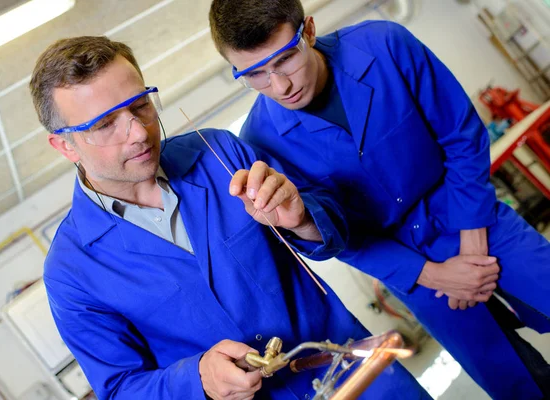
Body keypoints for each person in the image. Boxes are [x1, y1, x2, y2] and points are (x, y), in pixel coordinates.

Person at [30, 36, 430, 399]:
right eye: (105, 124)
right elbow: (120, 389)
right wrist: (198, 379)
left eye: (140, 105)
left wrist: (303, 216)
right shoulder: (71, 272)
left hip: (355, 375)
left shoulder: (218, 154)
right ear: (64, 145)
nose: (138, 132)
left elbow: (335, 227)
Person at [208, 1, 550, 399]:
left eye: (284, 60)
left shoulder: (383, 45)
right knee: (514, 382)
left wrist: (473, 240)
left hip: (473, 217)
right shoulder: (260, 142)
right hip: (409, 269)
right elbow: (340, 237)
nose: (279, 86)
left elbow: (460, 135)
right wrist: (432, 275)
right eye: (254, 74)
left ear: (310, 31)